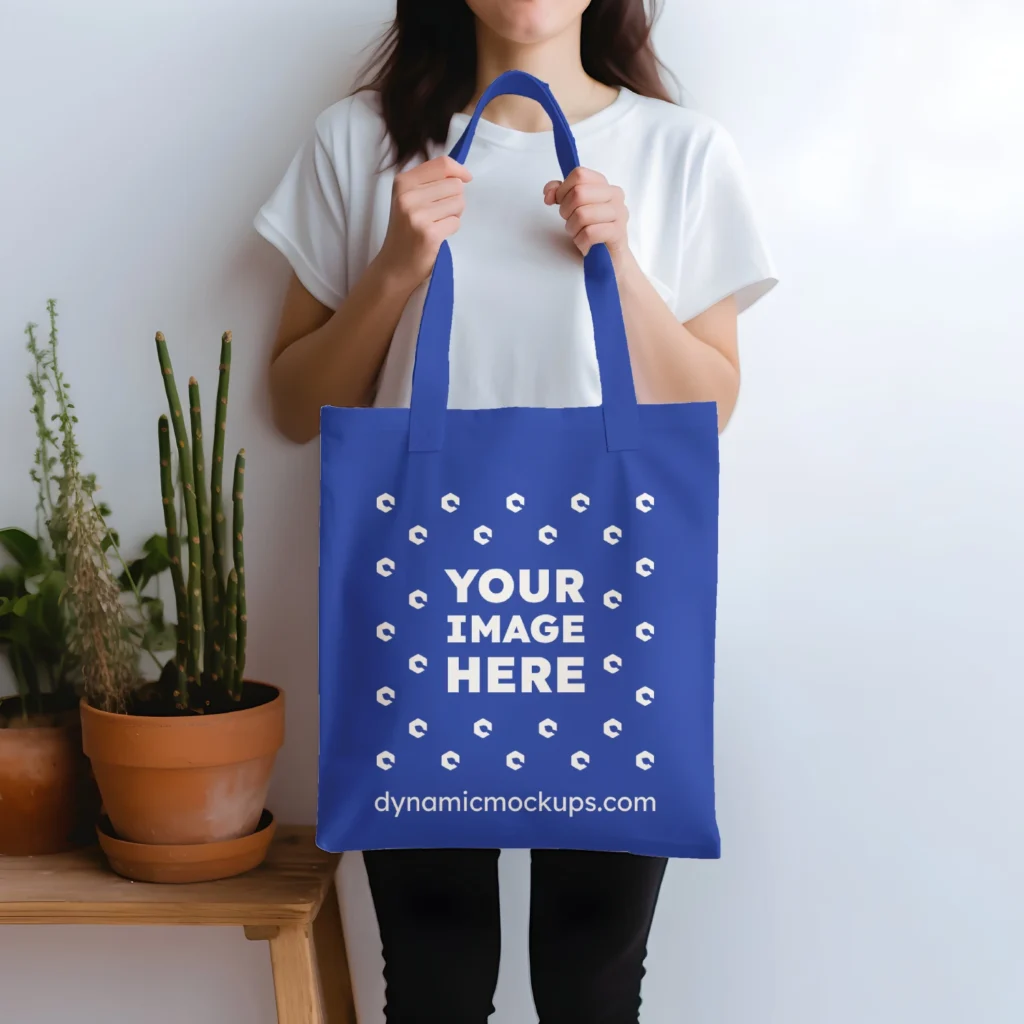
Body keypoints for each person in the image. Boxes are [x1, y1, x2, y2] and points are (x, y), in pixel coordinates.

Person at [255, 1, 776, 1019]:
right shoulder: (357, 143)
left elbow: (707, 408)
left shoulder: (682, 153)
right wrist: (397, 270)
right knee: (437, 977)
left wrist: (618, 267)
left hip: (610, 607)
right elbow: (290, 405)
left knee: (591, 981)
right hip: (421, 608)